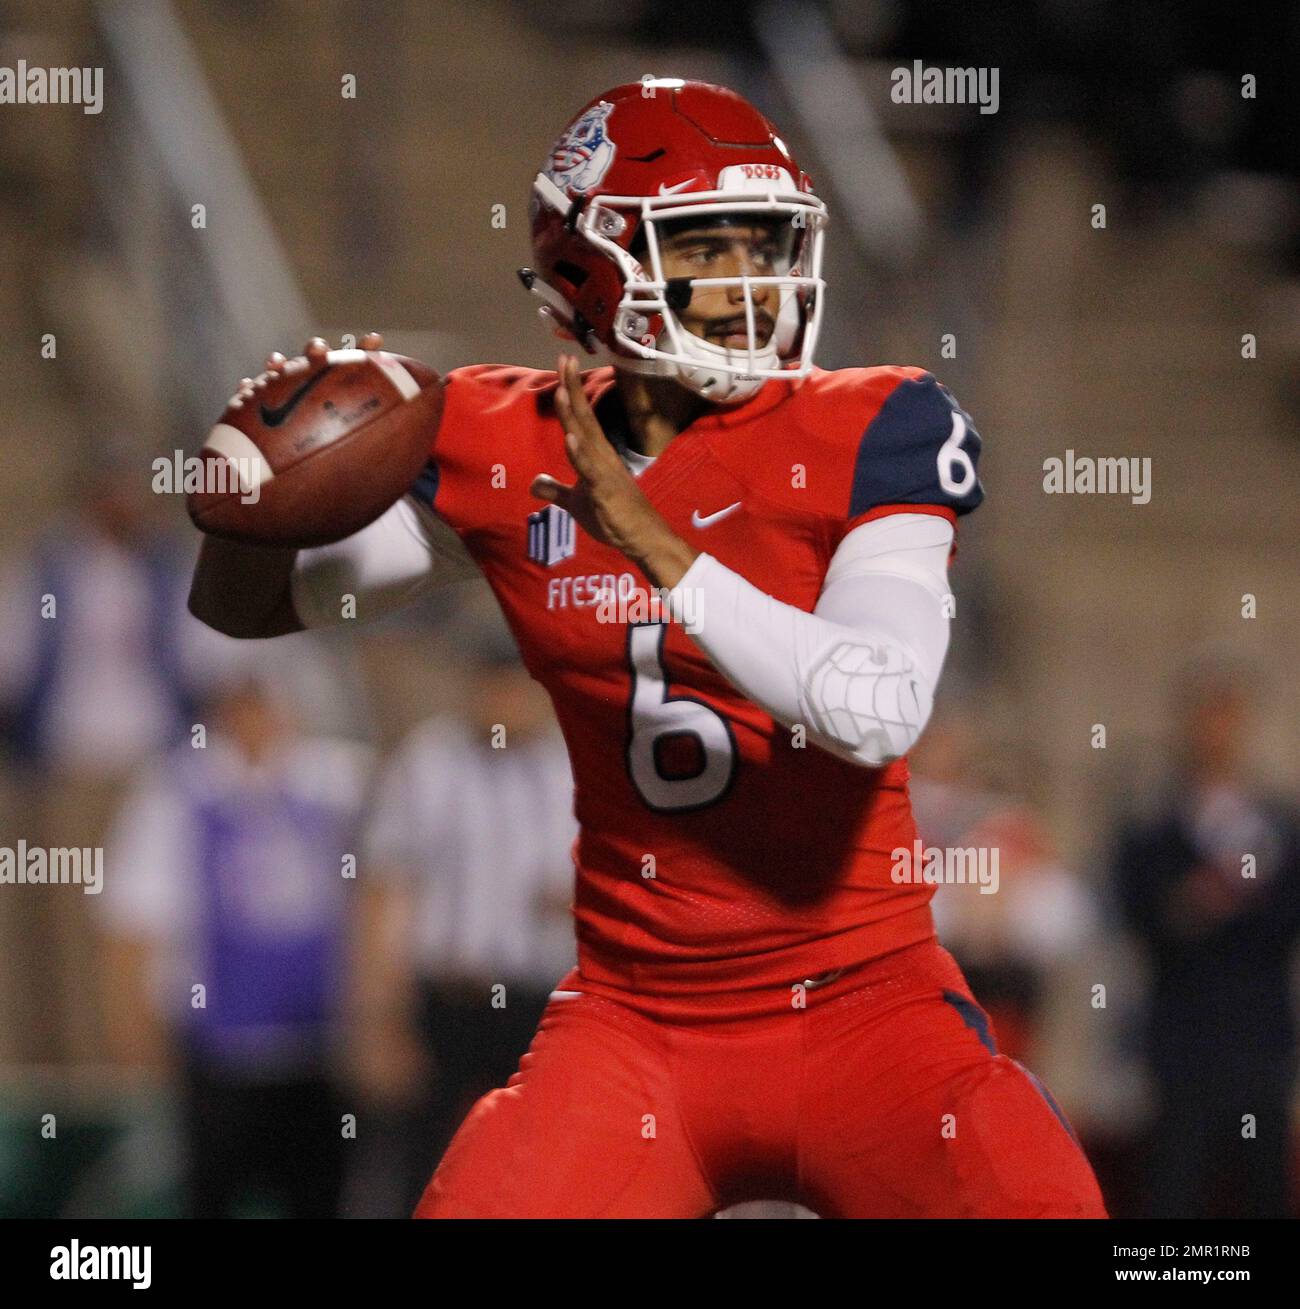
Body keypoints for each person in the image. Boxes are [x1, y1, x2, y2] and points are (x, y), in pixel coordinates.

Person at [188, 80, 1105, 1217]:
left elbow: (883, 703)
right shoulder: (500, 436)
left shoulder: (873, 425)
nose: (752, 284)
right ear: (594, 272)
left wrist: (656, 546)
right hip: (640, 1025)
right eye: (706, 249)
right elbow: (273, 606)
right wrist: (243, 500)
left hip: (866, 1005)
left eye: (766, 245)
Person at [98, 664, 372, 1218]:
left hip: (320, 1047)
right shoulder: (175, 791)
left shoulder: (339, 782)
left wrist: (373, 1017)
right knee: (213, 1193)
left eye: (265, 704)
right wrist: (133, 1026)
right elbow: (134, 917)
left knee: (321, 1196)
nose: (255, 720)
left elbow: (382, 895)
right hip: (217, 1051)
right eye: (241, 704)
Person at [347, 609, 576, 1215]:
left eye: (514, 682)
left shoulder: (571, 769)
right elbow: (384, 894)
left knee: (537, 1173)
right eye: (490, 681)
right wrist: (379, 1019)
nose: (502, 699)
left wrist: (572, 900)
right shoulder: (429, 762)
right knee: (422, 1171)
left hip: (540, 1007)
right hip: (446, 1002)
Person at [1112, 661, 1300, 1218]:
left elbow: (1285, 918)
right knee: (1175, 1189)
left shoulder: (1279, 826)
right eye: (1206, 716)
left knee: (1263, 1184)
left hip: (1259, 1039)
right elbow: (1143, 916)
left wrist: (1217, 904)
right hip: (1182, 1040)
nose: (1216, 730)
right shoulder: (1152, 826)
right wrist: (1199, 904)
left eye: (1228, 716)